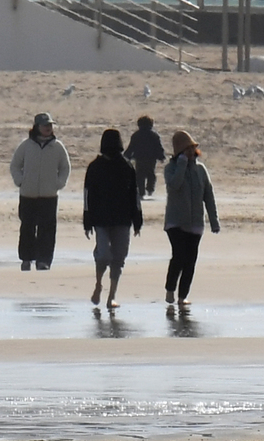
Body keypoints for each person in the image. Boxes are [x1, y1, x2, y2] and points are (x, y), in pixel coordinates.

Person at [82, 128, 143, 309]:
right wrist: (87, 220)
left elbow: (134, 195)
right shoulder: (98, 167)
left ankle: (111, 296)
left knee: (118, 256)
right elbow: (88, 196)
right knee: (106, 255)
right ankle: (99, 285)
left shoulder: (125, 166)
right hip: (103, 220)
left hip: (120, 219)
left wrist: (137, 220)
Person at [163, 130, 219, 306]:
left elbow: (208, 196)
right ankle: (170, 290)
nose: (190, 152)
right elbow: (174, 185)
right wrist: (181, 166)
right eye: (186, 149)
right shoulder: (170, 168)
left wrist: (214, 220)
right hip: (176, 222)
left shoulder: (201, 170)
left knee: (190, 261)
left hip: (195, 223)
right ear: (179, 152)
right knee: (178, 256)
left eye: (192, 148)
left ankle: (182, 296)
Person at [9, 112, 71, 271]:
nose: (48, 128)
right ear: (37, 127)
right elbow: (15, 165)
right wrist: (20, 181)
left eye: (50, 125)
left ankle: (44, 260)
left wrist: (59, 183)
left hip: (49, 195)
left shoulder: (57, 146)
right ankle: (26, 258)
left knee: (47, 229)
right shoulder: (26, 145)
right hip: (28, 194)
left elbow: (65, 167)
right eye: (45, 125)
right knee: (27, 227)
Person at [124, 115, 166, 200]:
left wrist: (126, 156)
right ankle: (150, 189)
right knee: (151, 174)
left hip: (139, 158)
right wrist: (161, 156)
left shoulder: (136, 135)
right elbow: (158, 147)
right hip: (151, 159)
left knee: (140, 175)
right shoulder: (154, 135)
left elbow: (131, 147)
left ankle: (141, 191)